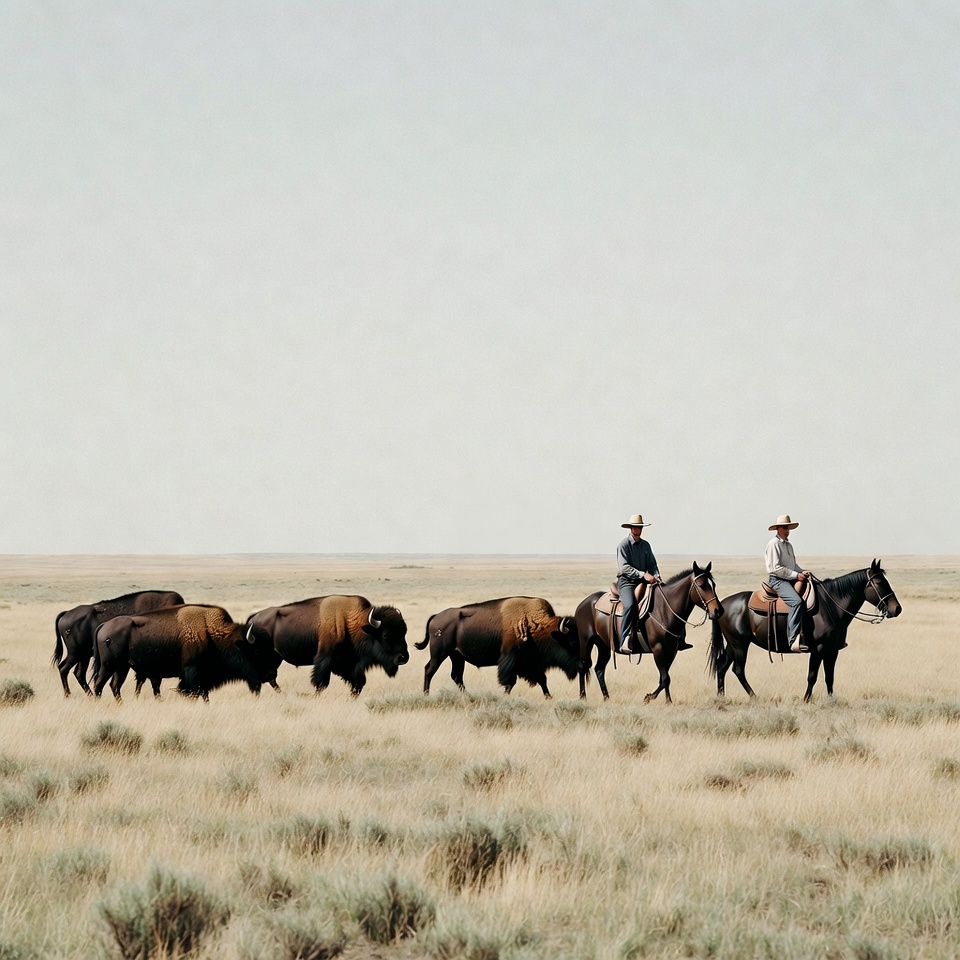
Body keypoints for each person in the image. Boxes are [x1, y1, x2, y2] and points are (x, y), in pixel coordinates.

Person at [616, 514, 677, 654]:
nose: (639, 529)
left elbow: (652, 564)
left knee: (666, 599)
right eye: (637, 527)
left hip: (645, 580)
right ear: (631, 528)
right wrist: (643, 574)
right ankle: (625, 638)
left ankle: (676, 638)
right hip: (627, 582)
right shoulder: (623, 545)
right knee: (630, 605)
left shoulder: (646, 545)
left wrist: (656, 576)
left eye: (640, 527)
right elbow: (624, 568)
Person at [764, 514, 812, 652]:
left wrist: (802, 571)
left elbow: (792, 565)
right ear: (778, 529)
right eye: (785, 528)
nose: (787, 530)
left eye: (788, 528)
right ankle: (792, 639)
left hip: (789, 578)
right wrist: (797, 575)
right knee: (796, 602)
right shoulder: (774, 544)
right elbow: (775, 568)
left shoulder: (788, 545)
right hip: (777, 580)